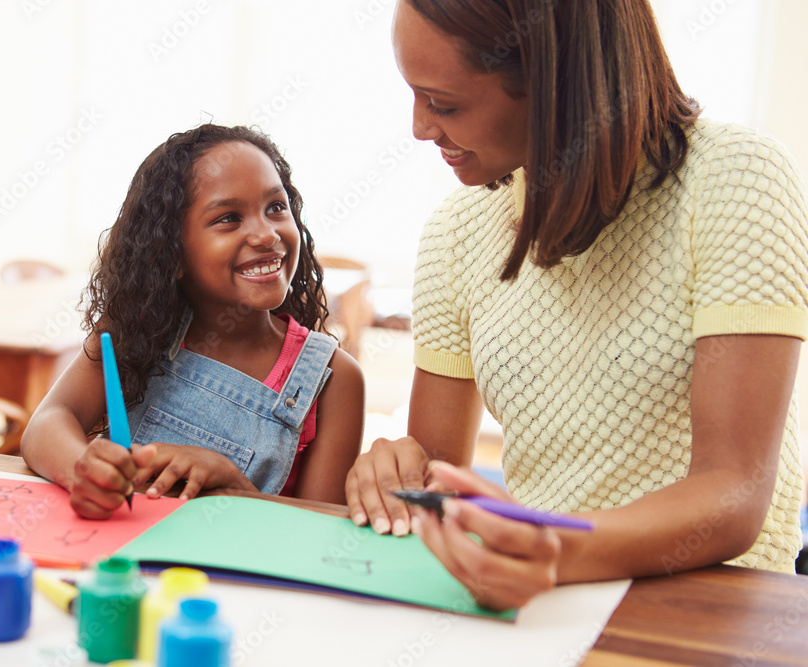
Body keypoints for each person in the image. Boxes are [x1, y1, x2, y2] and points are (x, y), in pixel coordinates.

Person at [345, 0, 808, 610]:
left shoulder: (733, 179)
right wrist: (396, 473)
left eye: (444, 103)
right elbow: (440, 478)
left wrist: (557, 551)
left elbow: (732, 493)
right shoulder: (455, 233)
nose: (420, 128)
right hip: (543, 600)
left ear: (552, 83)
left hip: (713, 611)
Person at [23, 124, 365, 520]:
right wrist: (81, 469)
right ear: (173, 253)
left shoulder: (335, 379)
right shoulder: (137, 330)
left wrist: (234, 488)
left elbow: (318, 533)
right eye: (229, 218)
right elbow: (48, 422)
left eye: (276, 207)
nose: (266, 234)